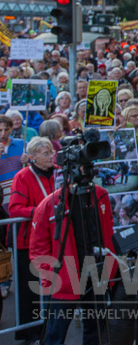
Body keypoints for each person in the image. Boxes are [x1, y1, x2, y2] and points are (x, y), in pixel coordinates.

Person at [29, 168, 117, 345]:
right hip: (63, 283)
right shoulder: (50, 204)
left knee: (95, 333)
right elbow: (38, 249)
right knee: (55, 336)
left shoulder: (100, 194)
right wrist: (54, 275)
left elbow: (108, 230)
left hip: (96, 275)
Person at [8, 137, 55, 344]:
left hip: (52, 239)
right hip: (27, 241)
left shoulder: (58, 173)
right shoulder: (23, 176)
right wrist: (41, 212)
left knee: (51, 285)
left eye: (51, 152)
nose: (51, 156)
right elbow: (15, 209)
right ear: (33, 157)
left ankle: (50, 328)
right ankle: (30, 333)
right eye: (46, 153)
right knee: (29, 289)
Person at [0, 114, 25, 204]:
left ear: (11, 129)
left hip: (20, 194)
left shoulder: (22, 144)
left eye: (6, 130)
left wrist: (29, 162)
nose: (3, 133)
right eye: (0, 130)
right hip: (2, 198)